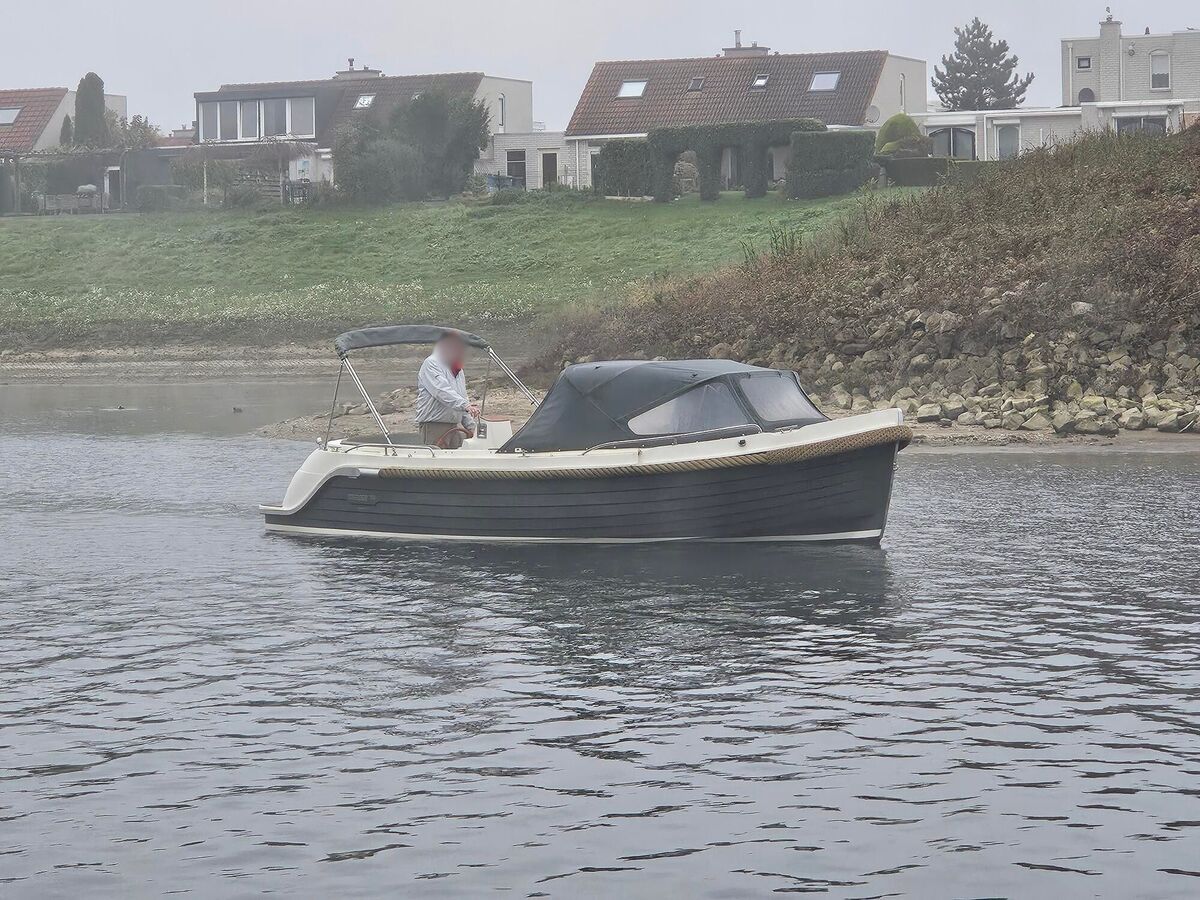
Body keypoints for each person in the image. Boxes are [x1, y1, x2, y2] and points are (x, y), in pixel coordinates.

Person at [415, 333, 480, 449]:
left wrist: (471, 426)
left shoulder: (457, 369)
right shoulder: (432, 363)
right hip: (434, 425)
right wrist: (465, 405)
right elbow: (441, 390)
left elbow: (462, 396)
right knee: (435, 457)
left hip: (454, 425)